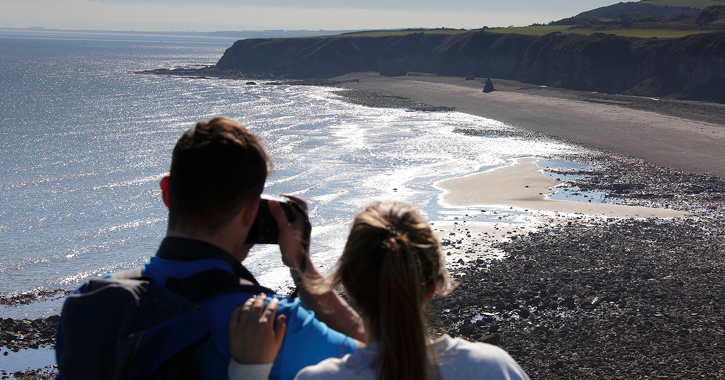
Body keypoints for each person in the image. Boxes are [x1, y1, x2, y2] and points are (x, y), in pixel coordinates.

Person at [57, 117, 365, 380]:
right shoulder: (270, 324)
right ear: (250, 212)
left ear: (166, 192)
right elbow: (382, 361)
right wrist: (302, 267)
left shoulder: (91, 303)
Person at [228, 201, 530, 380]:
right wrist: (301, 267)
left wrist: (248, 370)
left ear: (347, 285)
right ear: (434, 286)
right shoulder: (492, 368)